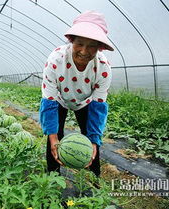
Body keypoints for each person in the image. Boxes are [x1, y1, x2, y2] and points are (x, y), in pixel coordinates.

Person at [39, 11, 114, 177]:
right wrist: (53, 138)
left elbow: (98, 107)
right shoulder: (55, 61)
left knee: (91, 139)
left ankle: (95, 179)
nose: (84, 51)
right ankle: (53, 178)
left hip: (86, 102)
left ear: (100, 47)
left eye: (92, 45)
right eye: (79, 43)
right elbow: (49, 102)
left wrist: (94, 140)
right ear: (71, 40)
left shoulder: (103, 68)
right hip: (58, 100)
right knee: (54, 138)